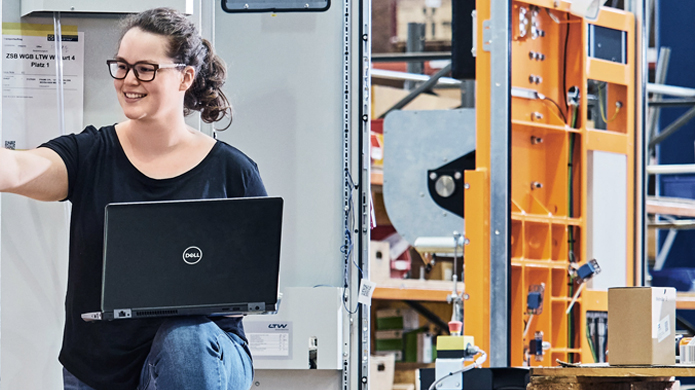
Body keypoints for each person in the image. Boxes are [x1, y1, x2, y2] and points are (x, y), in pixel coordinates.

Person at [0, 7, 263, 390]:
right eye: (121, 66)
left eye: (145, 69)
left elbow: (252, 285)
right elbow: (20, 169)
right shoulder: (91, 154)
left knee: (184, 339)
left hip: (202, 362)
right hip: (99, 368)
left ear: (185, 77)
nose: (128, 80)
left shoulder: (233, 172)